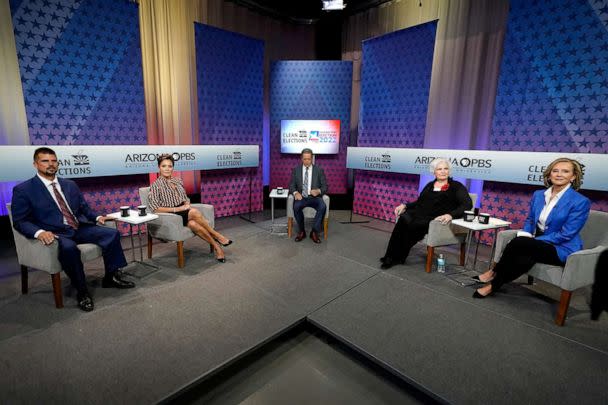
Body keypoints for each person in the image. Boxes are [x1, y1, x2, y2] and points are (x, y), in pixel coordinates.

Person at [11, 147, 134, 312]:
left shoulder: (69, 184)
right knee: (69, 249)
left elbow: (84, 208)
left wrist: (97, 218)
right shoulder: (24, 190)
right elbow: (20, 220)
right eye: (45, 161)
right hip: (56, 233)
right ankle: (82, 291)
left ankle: (111, 276)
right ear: (35, 164)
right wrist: (40, 232)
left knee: (111, 234)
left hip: (77, 227)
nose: (51, 164)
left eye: (54, 161)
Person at [473, 157, 591, 298]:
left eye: (565, 171)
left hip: (562, 248)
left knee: (520, 243)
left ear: (573, 177)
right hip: (538, 243)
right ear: (549, 174)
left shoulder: (580, 202)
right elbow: (530, 219)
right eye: (555, 171)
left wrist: (534, 239)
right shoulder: (539, 194)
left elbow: (566, 234)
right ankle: (493, 284)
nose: (559, 174)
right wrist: (527, 234)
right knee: (525, 254)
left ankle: (493, 276)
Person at [380, 158, 472, 269]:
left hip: (435, 219)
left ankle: (398, 257)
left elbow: (467, 204)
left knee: (414, 225)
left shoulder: (457, 186)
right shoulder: (430, 185)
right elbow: (419, 202)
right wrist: (405, 205)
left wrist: (450, 215)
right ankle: (390, 255)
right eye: (439, 169)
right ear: (434, 172)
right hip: (420, 212)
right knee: (404, 218)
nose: (443, 171)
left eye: (445, 168)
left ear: (449, 171)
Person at [147, 154, 232, 263]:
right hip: (171, 215)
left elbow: (184, 197)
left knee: (193, 224)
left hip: (182, 211)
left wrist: (186, 202)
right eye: (164, 166)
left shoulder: (177, 181)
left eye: (170, 166)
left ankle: (217, 247)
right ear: (159, 167)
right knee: (195, 212)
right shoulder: (155, 185)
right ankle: (218, 236)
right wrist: (177, 209)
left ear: (173, 167)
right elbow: (155, 208)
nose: (167, 169)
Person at [288, 148, 328, 244]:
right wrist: (295, 193)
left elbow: (325, 186)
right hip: (301, 197)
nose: (307, 161)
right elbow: (291, 185)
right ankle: (302, 231)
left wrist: (318, 191)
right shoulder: (296, 170)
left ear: (312, 158)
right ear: (301, 158)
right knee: (296, 206)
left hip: (314, 197)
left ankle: (314, 232)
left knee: (322, 206)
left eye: (309, 159)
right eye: (305, 159)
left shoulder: (319, 170)